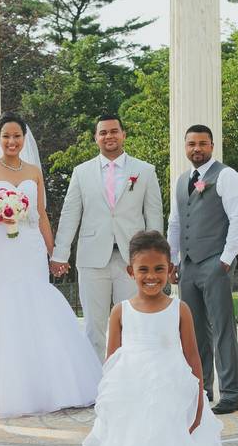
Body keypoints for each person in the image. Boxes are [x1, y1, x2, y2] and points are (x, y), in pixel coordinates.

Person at [84, 231, 230, 446]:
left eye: (159, 270)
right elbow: (113, 362)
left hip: (172, 395)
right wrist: (111, 407)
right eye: (144, 270)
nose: (152, 277)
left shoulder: (179, 310)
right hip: (134, 397)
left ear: (170, 270)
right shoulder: (121, 312)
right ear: (130, 272)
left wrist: (197, 402)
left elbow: (194, 358)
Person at [0, 111, 102, 417]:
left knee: (37, 299)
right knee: (2, 299)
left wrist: (53, 252)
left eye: (17, 136)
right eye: (6, 136)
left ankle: (50, 384)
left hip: (29, 246)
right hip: (1, 245)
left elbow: (42, 213)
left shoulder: (33, 172)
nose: (12, 141)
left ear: (24, 138)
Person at [50, 114, 164, 361]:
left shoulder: (144, 171)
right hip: (92, 258)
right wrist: (60, 254)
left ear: (123, 134)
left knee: (133, 322)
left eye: (114, 131)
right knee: (94, 326)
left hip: (132, 260)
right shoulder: (81, 172)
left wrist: (157, 257)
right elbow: (70, 214)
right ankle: (97, 385)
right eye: (103, 132)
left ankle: (130, 377)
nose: (108, 136)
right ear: (96, 138)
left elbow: (154, 215)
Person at [168, 125, 238, 414]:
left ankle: (231, 392)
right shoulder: (181, 181)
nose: (196, 149)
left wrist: (225, 259)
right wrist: (173, 259)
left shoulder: (227, 176)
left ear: (212, 146)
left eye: (202, 143)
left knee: (222, 328)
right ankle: (201, 387)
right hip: (188, 265)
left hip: (215, 262)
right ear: (185, 146)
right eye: (191, 144)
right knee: (193, 330)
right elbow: (175, 222)